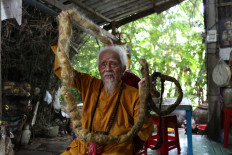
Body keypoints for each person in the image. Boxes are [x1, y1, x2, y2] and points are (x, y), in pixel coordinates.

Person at [51, 11, 154, 155]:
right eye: (103, 65)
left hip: (116, 150)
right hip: (82, 148)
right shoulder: (89, 84)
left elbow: (144, 134)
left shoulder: (133, 95)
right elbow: (64, 72)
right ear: (99, 69)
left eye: (113, 64)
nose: (108, 69)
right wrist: (62, 32)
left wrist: (144, 100)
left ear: (123, 69)